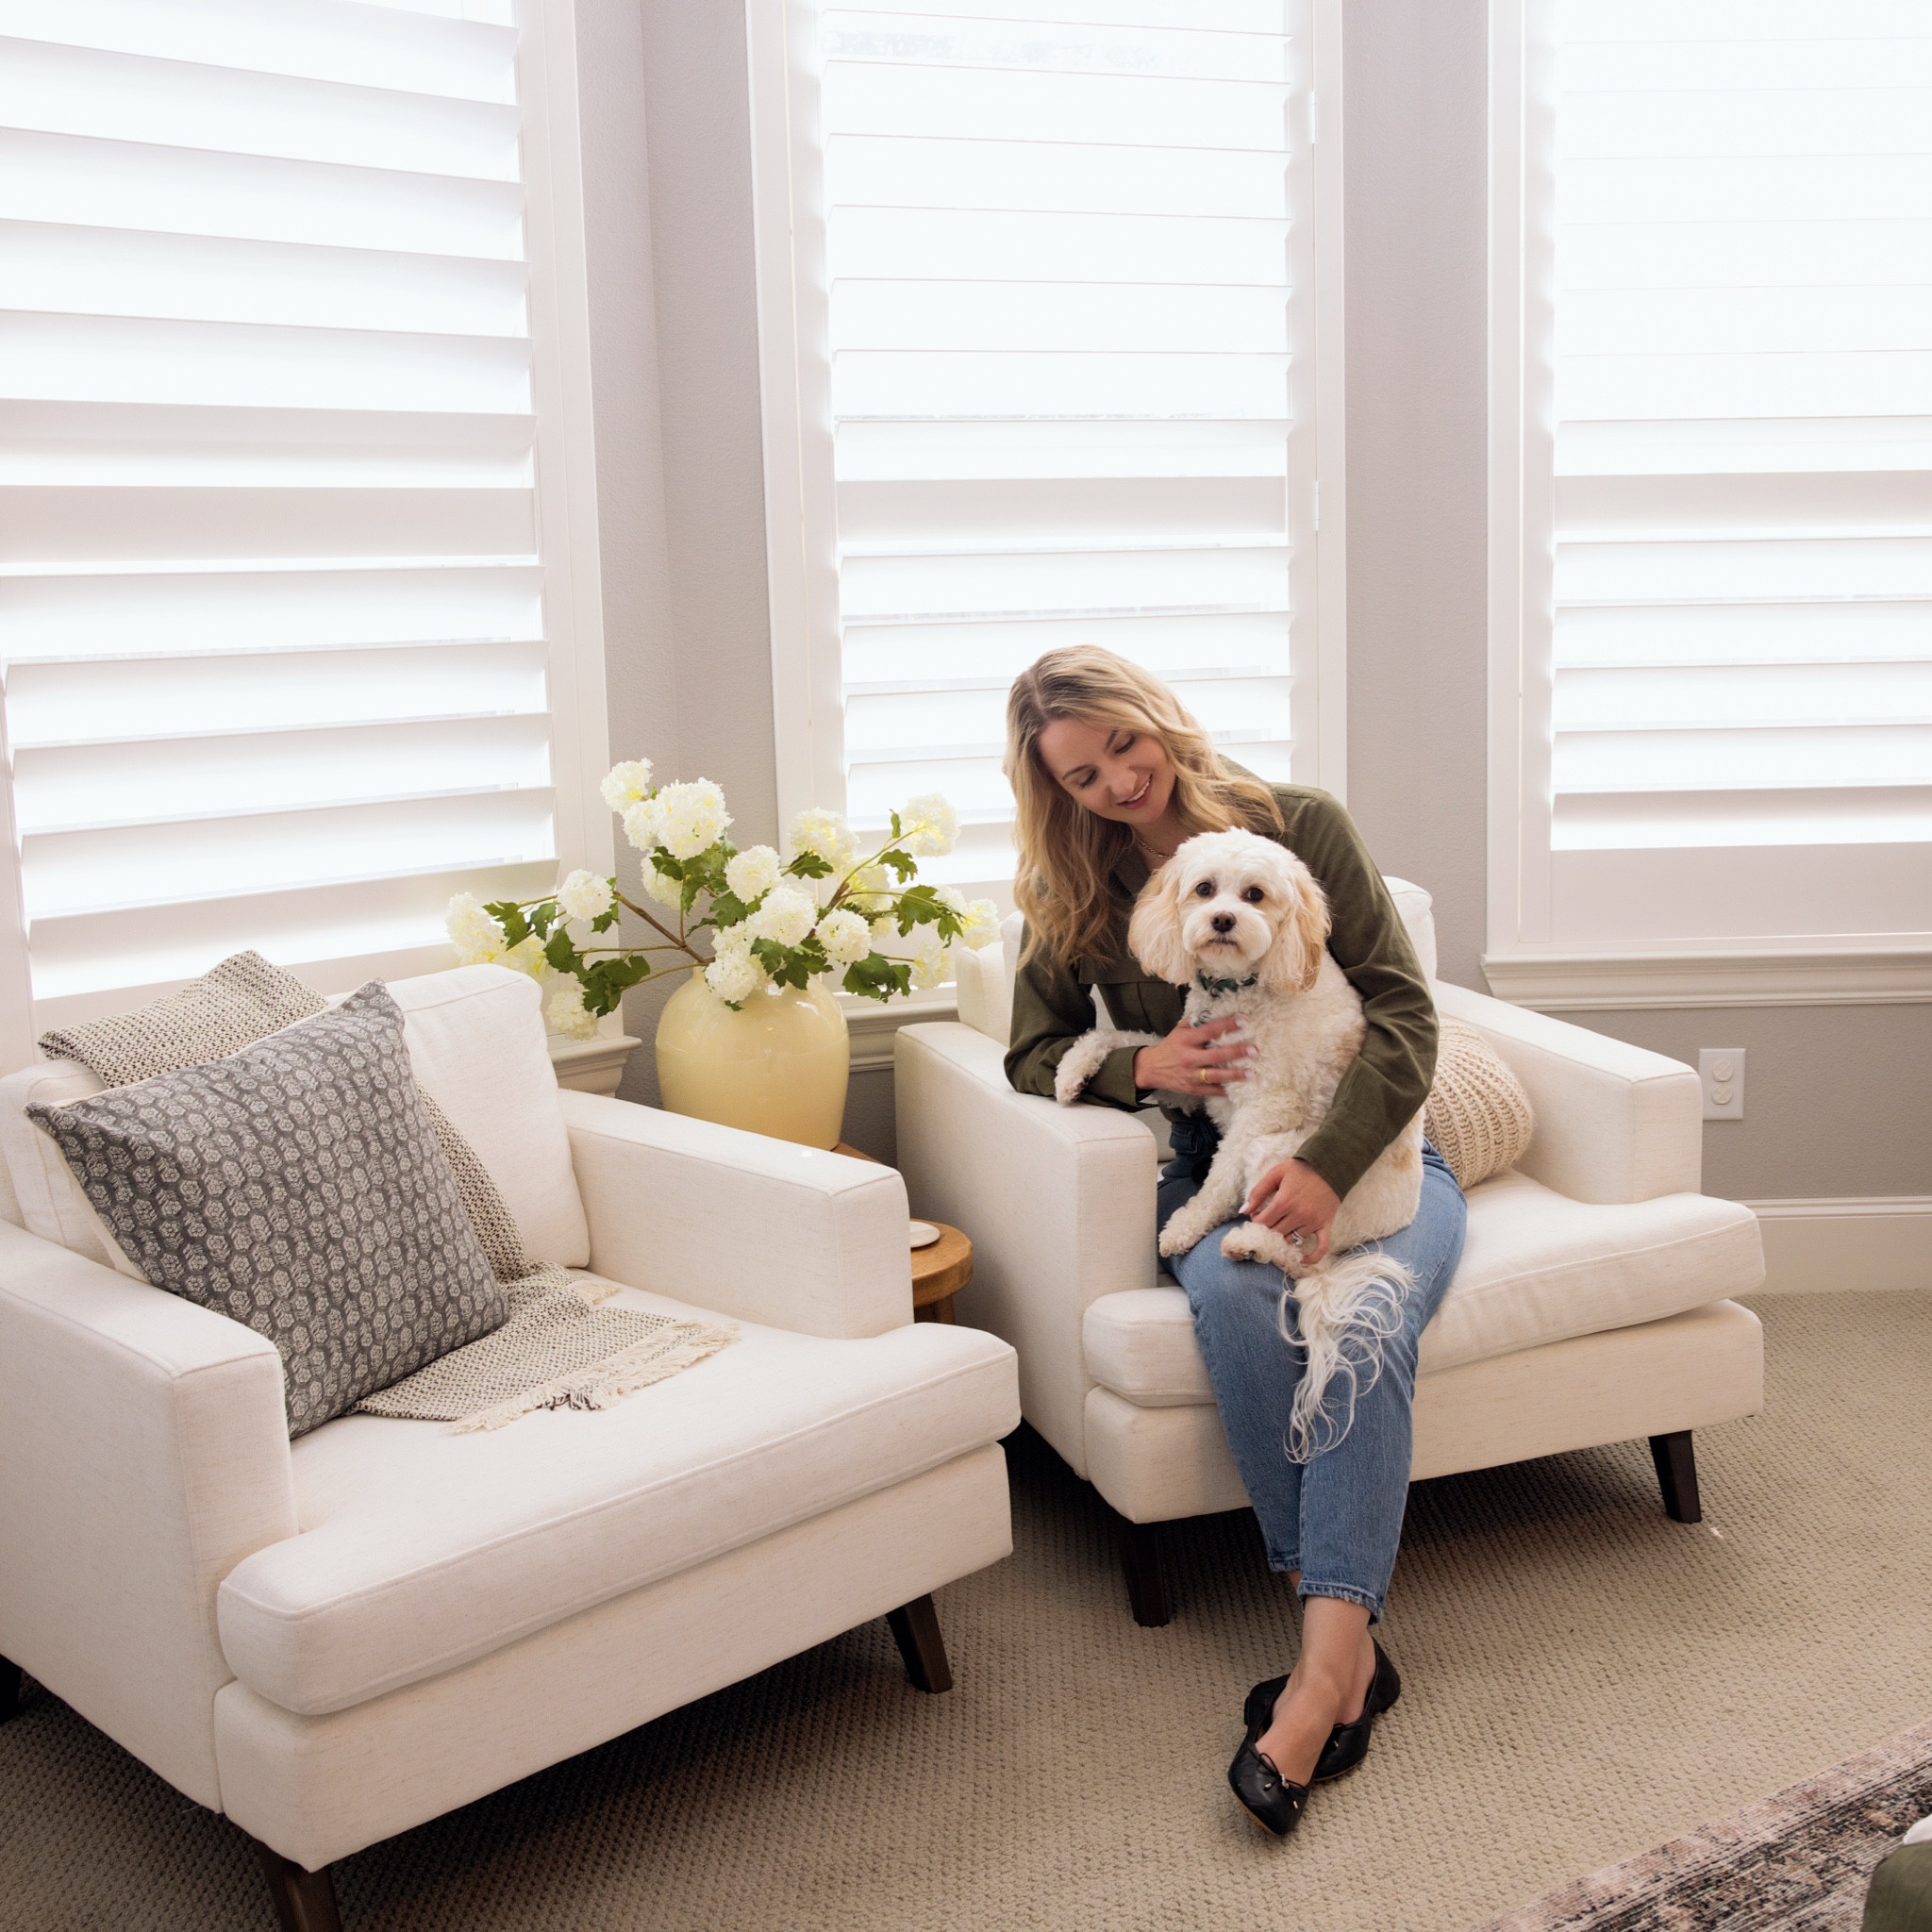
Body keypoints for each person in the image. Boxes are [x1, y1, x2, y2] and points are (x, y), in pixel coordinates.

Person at [1002, 645, 1467, 1838]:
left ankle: (1320, 1682)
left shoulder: (1295, 825)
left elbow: (1404, 1010)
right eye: (1080, 771)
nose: (1115, 779)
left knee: (1358, 1321)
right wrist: (1130, 1064)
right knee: (1245, 1308)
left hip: (1374, 1154)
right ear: (1051, 786)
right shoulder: (1076, 894)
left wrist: (1326, 1166)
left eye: (1121, 744)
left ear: (1154, 719)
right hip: (1217, 1164)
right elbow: (1028, 1049)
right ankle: (1351, 1645)